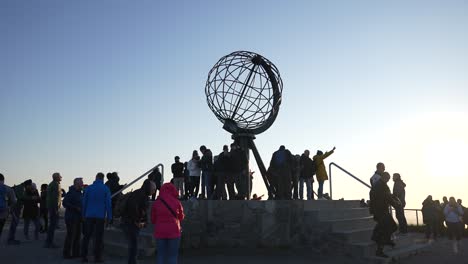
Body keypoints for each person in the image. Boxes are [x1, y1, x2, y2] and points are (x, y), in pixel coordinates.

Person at [122, 179, 156, 264]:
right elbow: (133, 208)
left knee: (133, 245)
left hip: (129, 221)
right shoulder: (141, 195)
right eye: (153, 189)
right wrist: (137, 221)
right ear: (148, 187)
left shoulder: (139, 193)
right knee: (133, 245)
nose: (154, 191)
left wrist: (143, 221)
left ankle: (132, 261)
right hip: (131, 223)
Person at [81, 172, 112, 263]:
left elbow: (84, 202)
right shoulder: (105, 189)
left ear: (96, 178)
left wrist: (83, 214)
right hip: (100, 216)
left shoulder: (89, 188)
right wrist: (109, 216)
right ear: (103, 179)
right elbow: (108, 204)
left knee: (86, 236)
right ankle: (97, 257)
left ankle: (84, 256)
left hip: (89, 215)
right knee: (98, 237)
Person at [151, 183, 185, 264]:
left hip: (160, 232)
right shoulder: (177, 202)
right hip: (174, 231)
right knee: (172, 256)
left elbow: (153, 220)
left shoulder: (156, 203)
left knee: (160, 255)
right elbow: (181, 217)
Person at [369, 172, 400, 258]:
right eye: (388, 178)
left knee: (389, 226)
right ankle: (380, 250)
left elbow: (387, 196)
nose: (388, 180)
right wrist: (396, 204)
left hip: (379, 210)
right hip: (381, 210)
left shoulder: (378, 185)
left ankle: (377, 237)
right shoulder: (382, 186)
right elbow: (387, 197)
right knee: (387, 228)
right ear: (384, 177)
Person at [62, 177, 83, 259]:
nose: (82, 184)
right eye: (81, 182)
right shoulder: (71, 192)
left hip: (78, 218)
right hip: (71, 218)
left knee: (77, 236)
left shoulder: (80, 193)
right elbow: (64, 203)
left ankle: (76, 253)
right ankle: (66, 254)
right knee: (70, 236)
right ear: (77, 183)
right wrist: (75, 208)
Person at [8, 179, 31, 245]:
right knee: (14, 223)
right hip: (15, 208)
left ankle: (11, 238)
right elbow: (21, 197)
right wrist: (30, 198)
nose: (30, 187)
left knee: (14, 223)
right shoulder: (21, 188)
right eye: (29, 186)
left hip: (16, 208)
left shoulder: (20, 187)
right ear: (27, 185)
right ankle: (11, 239)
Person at [44, 172, 62, 248]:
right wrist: (56, 209)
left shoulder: (52, 184)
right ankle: (49, 242)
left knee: (52, 225)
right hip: (53, 207)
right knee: (52, 225)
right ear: (56, 177)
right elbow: (55, 197)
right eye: (60, 176)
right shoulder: (55, 184)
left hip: (51, 207)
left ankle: (48, 242)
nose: (61, 177)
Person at [0, 173, 17, 240]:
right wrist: (9, 207)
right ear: (3, 180)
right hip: (3, 213)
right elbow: (14, 201)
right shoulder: (8, 189)